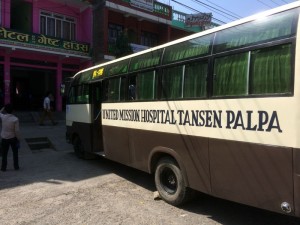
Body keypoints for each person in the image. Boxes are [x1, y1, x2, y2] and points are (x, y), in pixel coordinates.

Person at [0, 104, 21, 171]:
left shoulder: (3, 117)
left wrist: (3, 108)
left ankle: (3, 167)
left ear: (5, 110)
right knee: (15, 153)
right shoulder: (15, 119)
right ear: (13, 111)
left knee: (4, 154)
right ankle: (16, 166)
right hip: (13, 138)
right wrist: (18, 138)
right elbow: (17, 130)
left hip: (4, 138)